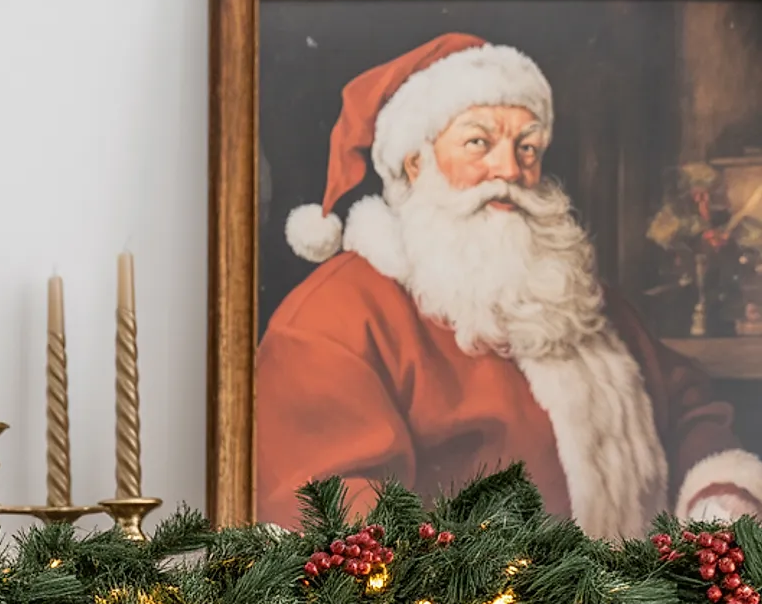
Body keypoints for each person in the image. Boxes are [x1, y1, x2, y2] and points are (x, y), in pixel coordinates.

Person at [256, 33, 762, 534]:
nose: (510, 169)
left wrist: (718, 494)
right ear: (415, 161)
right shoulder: (332, 318)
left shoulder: (575, 296)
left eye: (527, 148)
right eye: (478, 143)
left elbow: (686, 406)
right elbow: (332, 516)